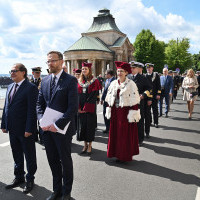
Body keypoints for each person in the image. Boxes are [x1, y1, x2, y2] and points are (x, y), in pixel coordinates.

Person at [37, 51, 78, 200]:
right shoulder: (45, 80)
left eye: (53, 61)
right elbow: (39, 104)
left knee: (65, 161)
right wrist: (41, 120)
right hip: (47, 130)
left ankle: (67, 192)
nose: (50, 64)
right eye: (48, 61)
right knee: (52, 160)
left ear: (61, 62)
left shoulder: (71, 80)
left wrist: (57, 124)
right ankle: (57, 190)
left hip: (63, 129)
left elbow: (72, 107)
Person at [1, 63, 38, 194]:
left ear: (23, 72)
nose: (12, 73)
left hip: (25, 130)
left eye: (14, 71)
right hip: (12, 128)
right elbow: (6, 107)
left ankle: (30, 179)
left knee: (29, 155)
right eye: (10, 71)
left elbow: (32, 111)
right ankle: (19, 177)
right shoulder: (10, 86)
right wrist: (4, 124)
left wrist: (29, 129)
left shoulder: (31, 88)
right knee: (16, 154)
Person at [105, 61, 140, 162]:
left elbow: (135, 101)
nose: (119, 73)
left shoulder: (131, 84)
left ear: (126, 73)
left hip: (126, 113)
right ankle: (116, 154)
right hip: (115, 112)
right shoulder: (113, 83)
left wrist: (133, 114)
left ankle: (124, 156)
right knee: (115, 133)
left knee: (124, 135)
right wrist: (109, 109)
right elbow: (109, 98)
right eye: (118, 71)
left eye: (121, 71)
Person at [77, 62, 102, 155]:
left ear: (89, 70)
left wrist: (85, 107)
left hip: (90, 107)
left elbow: (93, 95)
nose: (84, 70)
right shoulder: (79, 81)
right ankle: (85, 145)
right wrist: (78, 107)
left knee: (89, 127)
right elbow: (77, 95)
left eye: (86, 69)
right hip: (81, 108)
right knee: (82, 126)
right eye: (83, 69)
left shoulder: (94, 81)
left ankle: (90, 145)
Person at [128, 61, 152, 144]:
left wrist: (144, 95)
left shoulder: (142, 78)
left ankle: (139, 139)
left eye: (133, 68)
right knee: (130, 120)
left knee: (139, 121)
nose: (132, 69)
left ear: (138, 69)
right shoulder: (128, 77)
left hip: (139, 103)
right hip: (129, 103)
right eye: (131, 68)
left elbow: (149, 89)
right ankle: (131, 137)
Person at [29, 67, 43, 144]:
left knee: (41, 122)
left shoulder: (43, 81)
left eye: (39, 73)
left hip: (40, 105)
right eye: (36, 73)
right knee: (33, 122)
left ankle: (42, 138)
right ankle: (34, 137)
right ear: (33, 73)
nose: (38, 74)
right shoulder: (28, 81)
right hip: (31, 105)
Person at [145, 63, 161, 128]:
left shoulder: (156, 75)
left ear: (152, 68)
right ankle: (150, 121)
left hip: (154, 95)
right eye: (147, 68)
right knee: (148, 110)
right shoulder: (145, 76)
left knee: (155, 109)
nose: (148, 69)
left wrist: (158, 94)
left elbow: (159, 85)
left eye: (149, 68)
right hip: (148, 96)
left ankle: (156, 122)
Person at [100, 69, 115, 134]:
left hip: (111, 101)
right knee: (105, 114)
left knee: (111, 115)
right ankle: (107, 128)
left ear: (109, 74)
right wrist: (102, 99)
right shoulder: (106, 80)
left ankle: (112, 129)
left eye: (106, 74)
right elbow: (104, 91)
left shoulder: (115, 81)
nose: (105, 75)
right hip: (106, 100)